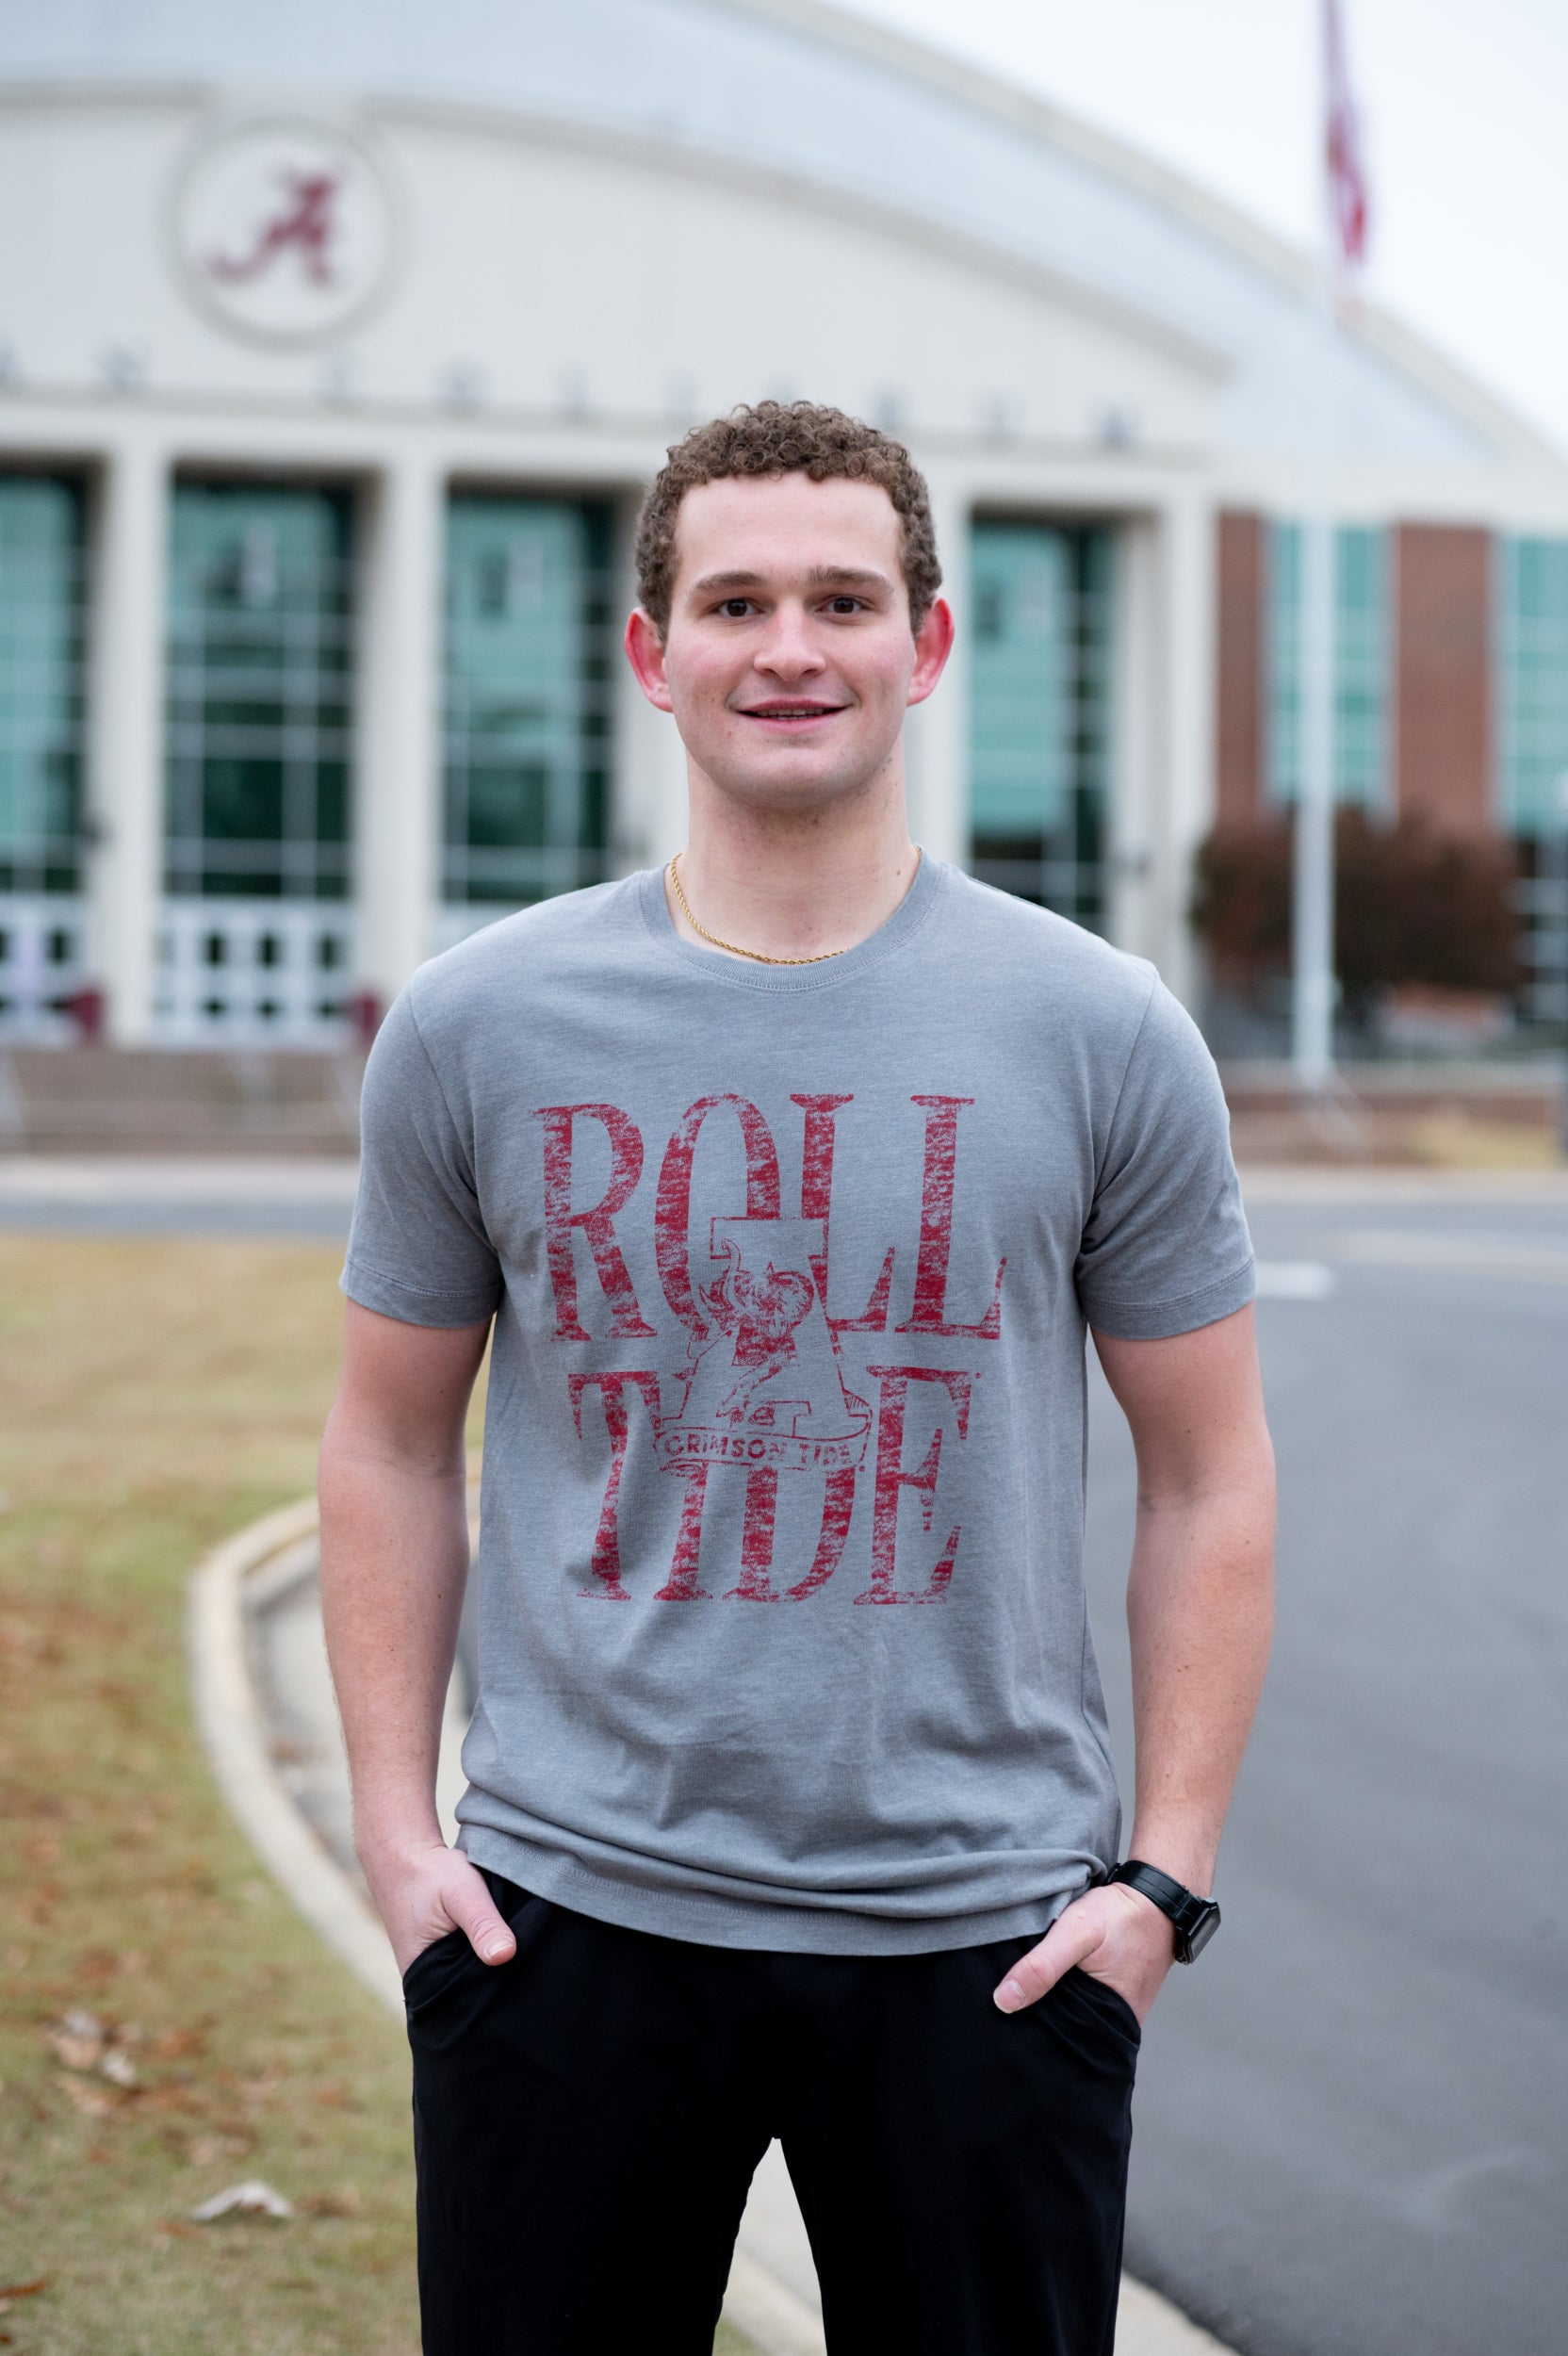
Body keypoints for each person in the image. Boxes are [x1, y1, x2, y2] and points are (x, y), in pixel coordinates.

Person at [319, 401, 1276, 2356]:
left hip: (988, 1947)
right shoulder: (478, 1026)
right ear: (649, 651)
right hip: (565, 1923)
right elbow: (389, 1437)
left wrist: (1157, 1888)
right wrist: (398, 1837)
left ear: (925, 644)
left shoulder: (1096, 1028)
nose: (788, 645)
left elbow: (1211, 1476)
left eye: (843, 598)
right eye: (733, 598)